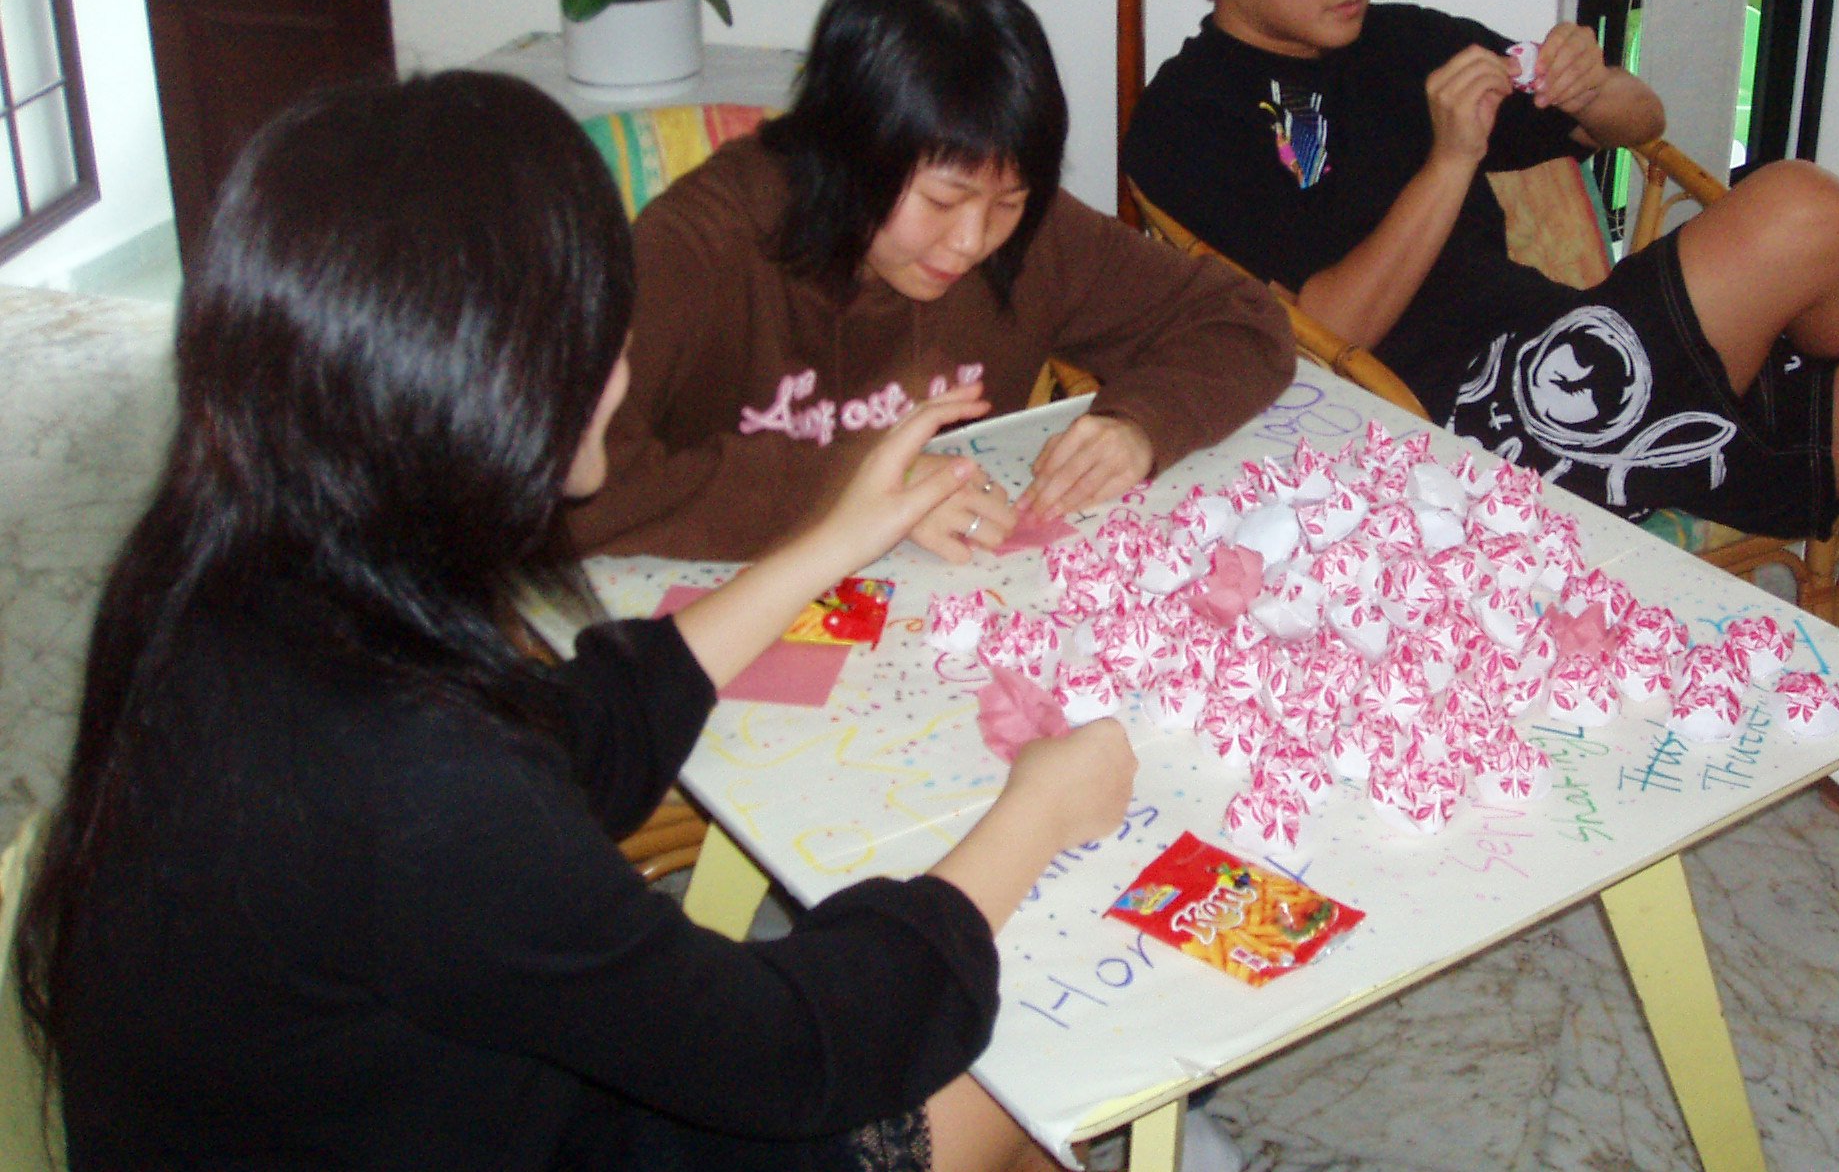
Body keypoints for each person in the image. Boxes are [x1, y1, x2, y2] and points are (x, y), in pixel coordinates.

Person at [12, 72, 1136, 1172]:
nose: (628, 357)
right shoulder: (410, 778)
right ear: (495, 385)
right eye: (606, 323)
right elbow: (787, 1053)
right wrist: (1035, 814)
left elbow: (558, 743)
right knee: (997, 1074)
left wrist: (837, 535)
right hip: (461, 1124)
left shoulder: (235, 567)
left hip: (394, 1086)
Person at [1124, 0, 1839, 855]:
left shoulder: (1408, 44)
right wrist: (1449, 160)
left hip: (1587, 379)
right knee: (1802, 204)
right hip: (1450, 444)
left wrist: (1597, 86)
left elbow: (1639, 125)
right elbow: (1324, 331)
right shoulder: (1185, 117)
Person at [570, 0, 1294, 566]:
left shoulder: (1029, 235)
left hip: (942, 611)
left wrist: (1143, 424)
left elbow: (1245, 320)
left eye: (1008, 199)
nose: (971, 242)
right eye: (943, 200)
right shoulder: (705, 243)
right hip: (720, 614)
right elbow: (562, 488)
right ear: (852, 155)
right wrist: (861, 488)